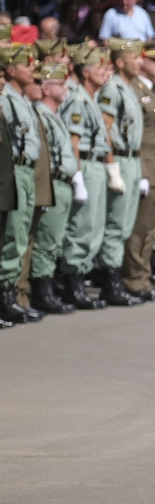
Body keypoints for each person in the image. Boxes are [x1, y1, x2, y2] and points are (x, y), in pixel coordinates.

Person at [60, 45, 112, 308]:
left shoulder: (90, 98)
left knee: (94, 227)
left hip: (96, 164)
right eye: (100, 68)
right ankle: (73, 284)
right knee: (82, 226)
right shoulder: (78, 99)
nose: (105, 73)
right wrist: (77, 176)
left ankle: (78, 280)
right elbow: (73, 143)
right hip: (86, 165)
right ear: (86, 72)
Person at [29, 63, 83, 314]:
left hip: (62, 182)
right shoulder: (41, 113)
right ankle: (42, 292)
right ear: (46, 88)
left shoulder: (53, 114)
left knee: (55, 240)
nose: (65, 88)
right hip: (52, 181)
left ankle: (48, 288)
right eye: (60, 84)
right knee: (47, 241)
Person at [123, 42, 155, 302]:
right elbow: (136, 133)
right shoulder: (134, 90)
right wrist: (141, 171)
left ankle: (143, 278)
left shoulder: (151, 90)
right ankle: (134, 279)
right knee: (139, 229)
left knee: (150, 229)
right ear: (142, 62)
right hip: (147, 168)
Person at [96, 38, 147, 306]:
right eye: (134, 57)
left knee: (125, 225)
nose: (140, 61)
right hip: (120, 159)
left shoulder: (130, 88)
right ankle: (110, 284)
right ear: (119, 62)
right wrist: (111, 166)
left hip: (133, 160)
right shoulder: (113, 89)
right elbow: (105, 128)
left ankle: (115, 280)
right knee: (115, 226)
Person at [0, 45, 46, 323]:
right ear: (10, 69)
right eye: (25, 65)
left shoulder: (21, 98)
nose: (31, 69)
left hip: (26, 171)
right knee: (13, 238)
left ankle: (14, 295)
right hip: (14, 171)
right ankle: (6, 297)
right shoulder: (6, 98)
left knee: (21, 237)